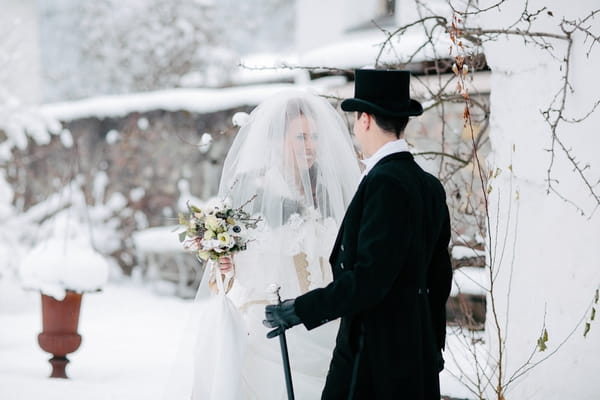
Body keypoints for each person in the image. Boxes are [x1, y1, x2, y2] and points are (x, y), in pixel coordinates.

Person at [264, 69, 453, 399]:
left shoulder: (384, 183)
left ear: (365, 119)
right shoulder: (428, 185)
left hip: (373, 358)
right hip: (415, 355)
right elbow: (439, 279)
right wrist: (432, 344)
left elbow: (369, 279)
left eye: (355, 120)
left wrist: (300, 310)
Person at [183, 90, 362, 400]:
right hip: (268, 327)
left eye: (315, 137)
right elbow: (226, 274)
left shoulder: (329, 193)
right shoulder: (251, 193)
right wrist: (223, 262)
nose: (310, 146)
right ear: (277, 140)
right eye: (300, 137)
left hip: (326, 321)